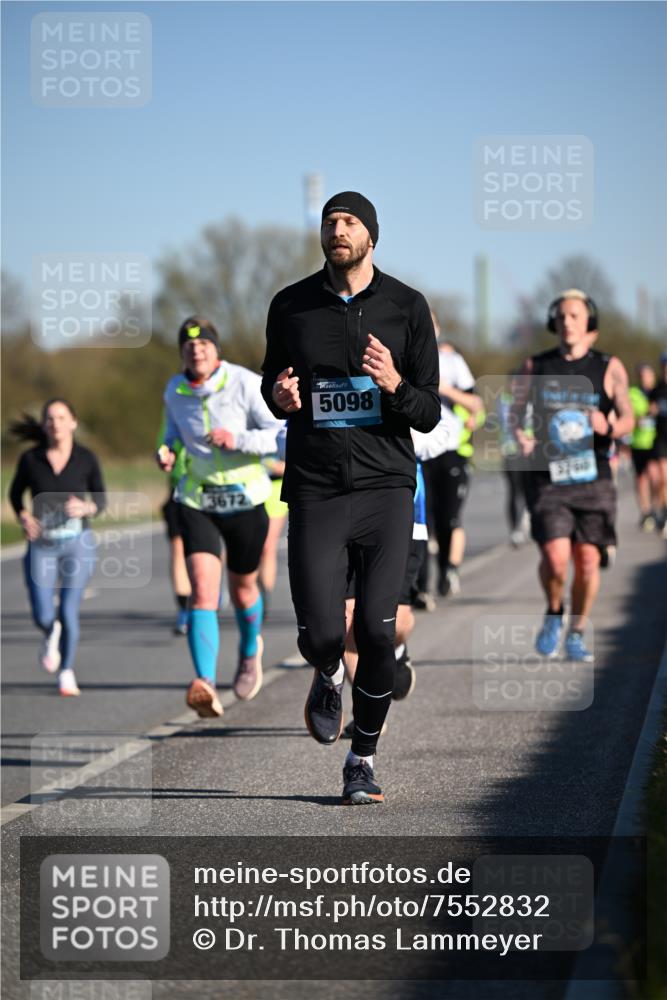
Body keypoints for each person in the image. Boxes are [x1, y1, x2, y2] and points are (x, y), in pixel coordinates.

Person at [261, 190, 440, 805]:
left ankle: (361, 760)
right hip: (314, 487)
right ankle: (329, 672)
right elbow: (271, 382)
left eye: (350, 222)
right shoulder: (291, 305)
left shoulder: (406, 307)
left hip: (386, 486)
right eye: (330, 221)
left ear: (372, 236)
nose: (338, 229)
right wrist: (279, 399)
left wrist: (393, 383)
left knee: (377, 628)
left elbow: (429, 410)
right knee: (318, 632)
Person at [157, 317, 282, 717]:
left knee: (244, 588)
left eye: (205, 344)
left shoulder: (243, 383)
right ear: (182, 353)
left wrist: (238, 440)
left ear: (216, 349)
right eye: (189, 346)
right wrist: (167, 451)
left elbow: (279, 433)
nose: (197, 351)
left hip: (246, 501)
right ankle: (205, 683)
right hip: (198, 501)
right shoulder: (174, 391)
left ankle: (249, 651)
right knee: (203, 591)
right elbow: (171, 434)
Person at [513, 289, 634, 662]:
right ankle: (554, 611)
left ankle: (577, 630)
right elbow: (516, 414)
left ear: (589, 323)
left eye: (575, 316)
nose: (567, 322)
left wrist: (609, 425)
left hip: (593, 475)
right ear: (554, 321)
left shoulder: (608, 366)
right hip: (549, 476)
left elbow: (629, 417)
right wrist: (522, 436)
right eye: (562, 316)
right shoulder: (536, 365)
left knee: (586, 560)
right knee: (555, 556)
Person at [8, 399, 106, 696]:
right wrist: (24, 517)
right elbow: (15, 495)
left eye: (62, 417)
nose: (55, 423)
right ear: (43, 425)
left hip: (77, 543)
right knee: (42, 614)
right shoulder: (31, 460)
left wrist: (86, 507)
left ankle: (66, 672)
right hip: (42, 545)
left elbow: (101, 500)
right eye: (50, 418)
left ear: (73, 422)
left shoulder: (86, 458)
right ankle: (51, 633)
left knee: (68, 609)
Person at [420, 321, 484, 598]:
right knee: (424, 523)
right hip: (418, 452)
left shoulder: (451, 361)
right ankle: (421, 587)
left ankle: (450, 569)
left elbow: (475, 404)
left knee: (450, 519)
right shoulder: (400, 355)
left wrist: (446, 390)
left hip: (449, 451)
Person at [156, 409, 192, 634]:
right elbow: (164, 443)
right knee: (178, 549)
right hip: (180, 488)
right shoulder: (175, 402)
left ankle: (213, 586)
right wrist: (164, 455)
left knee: (213, 548)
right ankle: (184, 609)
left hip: (213, 486)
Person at [497, 372, 530, 546]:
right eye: (514, 384)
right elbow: (508, 421)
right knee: (514, 490)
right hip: (511, 451)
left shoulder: (530, 400)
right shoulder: (504, 400)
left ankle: (527, 520)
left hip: (530, 452)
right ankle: (515, 528)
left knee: (528, 490)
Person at [628, 363, 659, 531]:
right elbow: (627, 415)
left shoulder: (659, 392)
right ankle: (646, 511)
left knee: (657, 477)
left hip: (656, 440)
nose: (646, 379)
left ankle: (656, 507)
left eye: (648, 376)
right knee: (641, 478)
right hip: (639, 441)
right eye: (643, 376)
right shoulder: (632, 393)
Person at [649, 351, 667, 536]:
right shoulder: (657, 389)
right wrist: (651, 410)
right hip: (661, 439)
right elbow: (648, 411)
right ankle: (665, 513)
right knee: (663, 478)